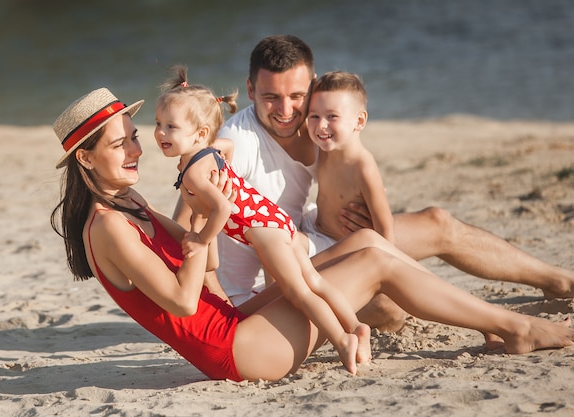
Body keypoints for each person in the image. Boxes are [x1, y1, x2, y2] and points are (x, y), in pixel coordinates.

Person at [50, 87, 573, 382]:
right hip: (237, 352)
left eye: (135, 138)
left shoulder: (131, 201)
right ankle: (513, 328)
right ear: (87, 159)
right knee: (377, 264)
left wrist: (204, 215)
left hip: (233, 320)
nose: (138, 150)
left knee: (365, 244)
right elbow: (185, 304)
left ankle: (486, 320)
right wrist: (198, 239)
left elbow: (203, 266)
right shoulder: (110, 227)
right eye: (122, 145)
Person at [173, 34, 574, 327]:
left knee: (437, 220)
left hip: (312, 236)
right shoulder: (235, 143)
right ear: (249, 91)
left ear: (313, 87)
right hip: (269, 283)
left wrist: (343, 212)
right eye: (270, 98)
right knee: (390, 311)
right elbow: (184, 218)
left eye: (297, 95)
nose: (286, 110)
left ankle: (558, 281)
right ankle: (491, 321)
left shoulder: (319, 122)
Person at [154, 65, 371, 373]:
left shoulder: (194, 169)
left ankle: (342, 340)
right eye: (158, 123)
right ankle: (355, 325)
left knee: (298, 291)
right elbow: (223, 159)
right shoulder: (211, 153)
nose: (161, 133)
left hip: (262, 230)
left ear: (200, 133)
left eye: (171, 127)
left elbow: (223, 210)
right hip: (273, 218)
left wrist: (201, 239)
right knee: (314, 280)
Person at [306, 70, 394, 244]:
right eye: (314, 116)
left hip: (339, 243)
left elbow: (385, 229)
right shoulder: (325, 149)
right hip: (314, 228)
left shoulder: (362, 167)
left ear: (360, 121)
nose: (321, 125)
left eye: (332, 116)